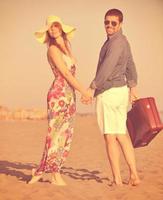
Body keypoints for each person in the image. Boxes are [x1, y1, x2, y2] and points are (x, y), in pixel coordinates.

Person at [28, 16, 92, 185]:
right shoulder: (52, 50)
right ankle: (53, 174)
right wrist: (84, 91)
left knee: (66, 134)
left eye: (56, 25)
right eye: (50, 27)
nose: (53, 29)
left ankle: (43, 170)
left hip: (69, 95)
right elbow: (65, 73)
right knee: (55, 134)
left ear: (61, 28)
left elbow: (71, 73)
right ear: (48, 32)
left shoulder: (67, 47)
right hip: (58, 95)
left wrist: (78, 92)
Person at [83, 9, 140, 186]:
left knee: (110, 137)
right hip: (121, 92)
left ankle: (117, 179)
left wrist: (92, 87)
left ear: (120, 24)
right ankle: (134, 175)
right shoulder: (123, 41)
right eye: (106, 22)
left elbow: (106, 68)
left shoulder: (115, 43)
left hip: (109, 93)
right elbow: (130, 64)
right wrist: (132, 86)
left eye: (113, 23)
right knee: (121, 134)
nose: (109, 25)